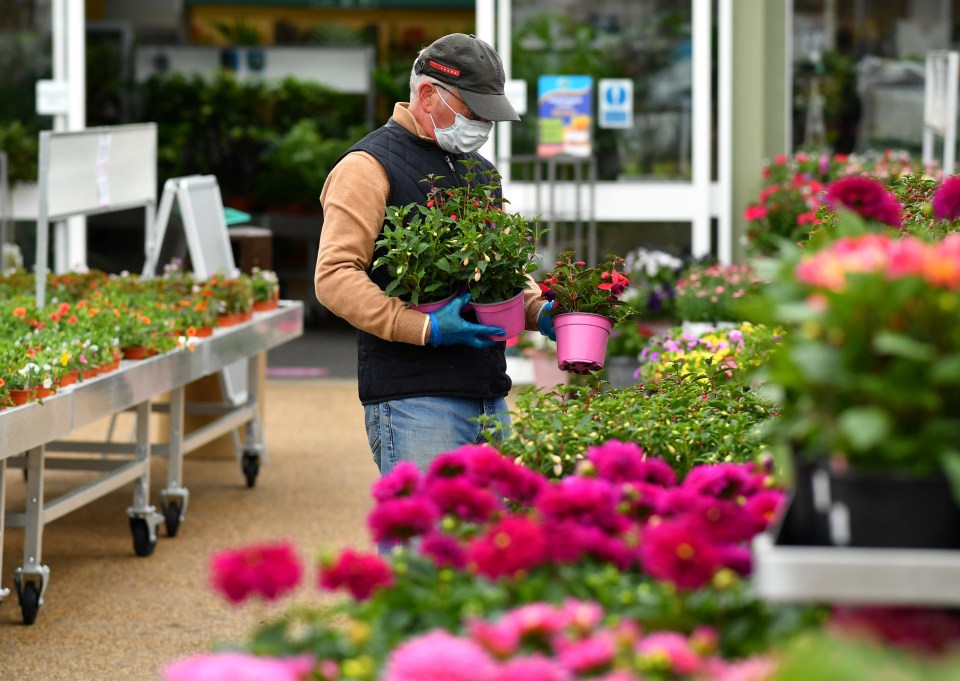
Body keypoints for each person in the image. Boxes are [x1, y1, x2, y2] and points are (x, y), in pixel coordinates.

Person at [314, 33, 555, 478]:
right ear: (428, 94)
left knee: (491, 544)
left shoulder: (479, 171)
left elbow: (497, 270)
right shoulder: (366, 166)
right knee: (428, 545)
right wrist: (424, 327)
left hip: (487, 394)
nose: (483, 125)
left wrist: (538, 309)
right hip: (415, 404)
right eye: (473, 111)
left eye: (489, 115)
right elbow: (334, 276)